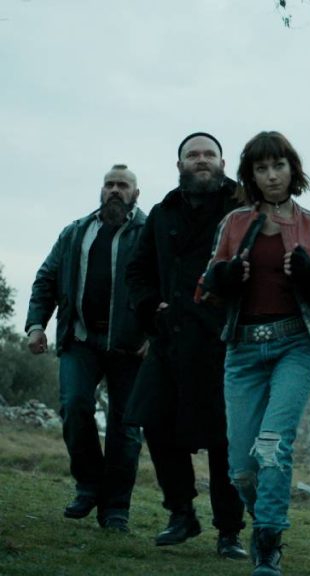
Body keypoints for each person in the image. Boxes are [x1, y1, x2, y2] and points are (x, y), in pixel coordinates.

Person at [198, 131, 310, 576]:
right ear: (251, 175)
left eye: (279, 166)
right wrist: (224, 277)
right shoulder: (234, 223)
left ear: (292, 169)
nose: (272, 175)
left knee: (272, 444)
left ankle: (268, 541)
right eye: (262, 168)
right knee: (241, 468)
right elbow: (206, 288)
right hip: (242, 350)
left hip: (295, 346)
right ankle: (265, 515)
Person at [124, 132, 247, 558]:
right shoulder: (163, 212)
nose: (201, 160)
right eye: (193, 155)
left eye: (209, 154)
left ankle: (229, 531)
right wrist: (150, 307)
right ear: (180, 165)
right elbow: (137, 271)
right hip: (170, 335)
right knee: (154, 421)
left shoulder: (242, 208)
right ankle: (181, 513)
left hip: (224, 341)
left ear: (223, 163)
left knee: (224, 440)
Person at [25, 164, 147, 532]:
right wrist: (36, 325)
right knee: (74, 405)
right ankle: (89, 485)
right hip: (79, 339)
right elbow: (46, 279)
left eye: (122, 185)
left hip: (131, 347)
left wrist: (155, 336)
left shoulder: (149, 234)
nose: (114, 190)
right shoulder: (75, 232)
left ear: (136, 194)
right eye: (109, 184)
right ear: (101, 190)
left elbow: (168, 287)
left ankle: (116, 509)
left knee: (126, 428)